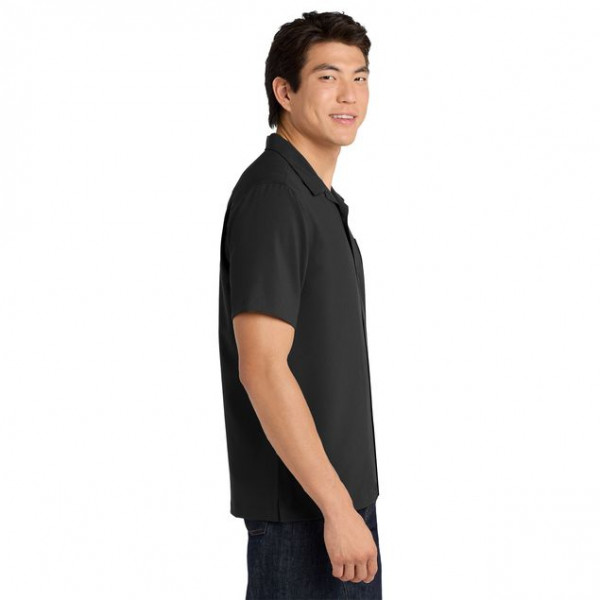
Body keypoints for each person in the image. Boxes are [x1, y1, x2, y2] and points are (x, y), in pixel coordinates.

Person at [218, 10, 382, 599]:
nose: (349, 95)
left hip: (335, 507)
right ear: (284, 92)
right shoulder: (276, 196)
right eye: (328, 77)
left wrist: (346, 508)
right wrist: (337, 509)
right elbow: (262, 366)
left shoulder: (313, 197)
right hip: (306, 517)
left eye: (360, 78)